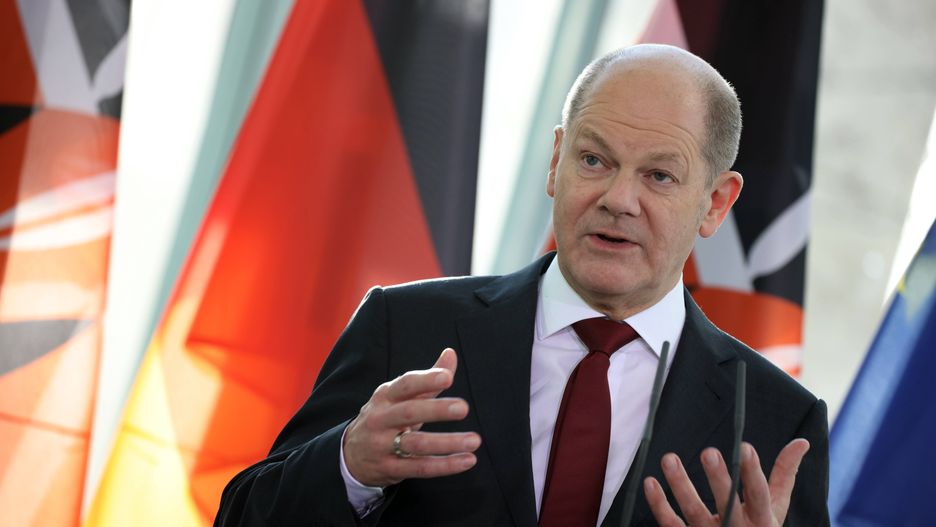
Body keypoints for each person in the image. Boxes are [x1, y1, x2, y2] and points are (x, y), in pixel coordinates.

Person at [215, 44, 829, 527]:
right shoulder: (405, 326)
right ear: (555, 162)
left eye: (659, 176)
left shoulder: (777, 420)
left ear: (715, 204)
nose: (618, 199)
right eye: (594, 159)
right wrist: (349, 467)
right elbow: (242, 517)